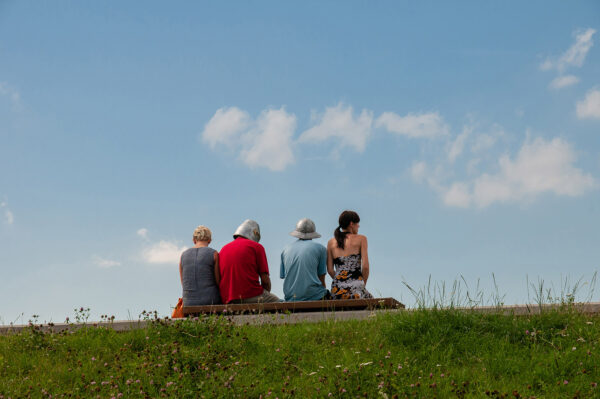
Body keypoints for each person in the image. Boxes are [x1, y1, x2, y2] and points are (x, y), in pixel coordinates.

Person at [219, 219, 280, 304]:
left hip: (227, 299)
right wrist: (265, 294)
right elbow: (265, 281)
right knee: (279, 302)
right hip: (250, 295)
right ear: (255, 233)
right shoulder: (257, 247)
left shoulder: (223, 249)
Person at [280, 218, 331, 302]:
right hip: (315, 296)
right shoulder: (321, 249)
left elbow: (285, 276)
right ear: (313, 233)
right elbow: (321, 278)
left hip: (291, 298)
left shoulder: (285, 250)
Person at [327, 210, 373, 300]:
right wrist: (362, 284)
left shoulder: (330, 242)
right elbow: (366, 267)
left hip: (337, 288)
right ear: (351, 224)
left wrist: (342, 281)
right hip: (357, 286)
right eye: (357, 223)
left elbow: (330, 270)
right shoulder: (361, 239)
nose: (358, 226)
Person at [179, 225, 222, 306]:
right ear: (209, 240)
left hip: (188, 302)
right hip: (210, 300)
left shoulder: (183, 255)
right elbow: (218, 281)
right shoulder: (214, 254)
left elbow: (184, 283)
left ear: (194, 240)